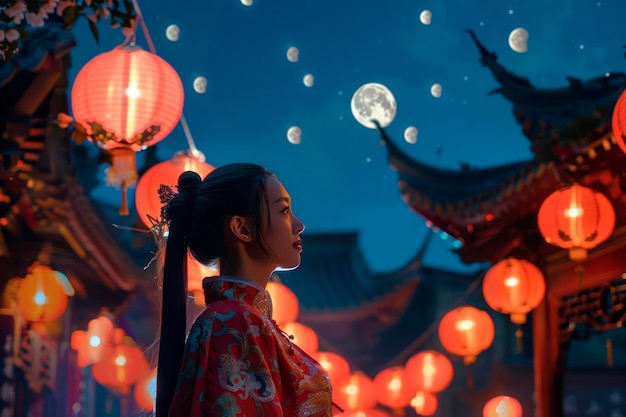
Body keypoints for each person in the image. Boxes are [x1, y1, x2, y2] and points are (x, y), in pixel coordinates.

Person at [154, 163, 342, 417]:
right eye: (284, 210)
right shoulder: (231, 321)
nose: (299, 225)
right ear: (241, 228)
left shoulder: (242, 318)